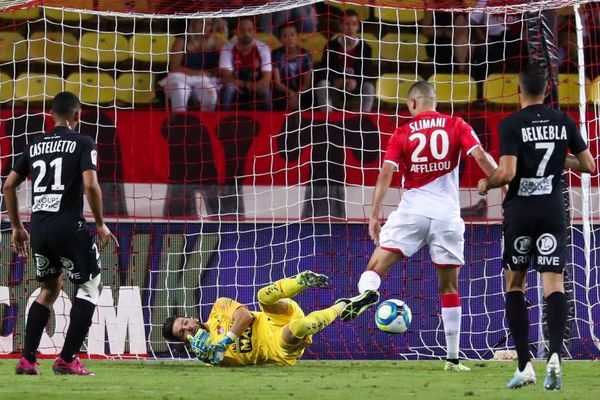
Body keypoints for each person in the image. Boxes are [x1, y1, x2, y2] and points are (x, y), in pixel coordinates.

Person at [337, 81, 498, 371]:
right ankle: (452, 358)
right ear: (434, 102)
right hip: (447, 216)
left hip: (412, 213)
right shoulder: (456, 124)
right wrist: (501, 182)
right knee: (449, 287)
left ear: (412, 104)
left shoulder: (402, 132)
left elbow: (386, 173)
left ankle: (368, 293)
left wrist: (374, 215)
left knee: (374, 268)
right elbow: (480, 157)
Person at [477, 64, 595, 390]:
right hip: (553, 211)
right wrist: (560, 159)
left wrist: (486, 183)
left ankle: (525, 365)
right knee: (554, 283)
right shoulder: (563, 121)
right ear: (546, 90)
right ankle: (555, 356)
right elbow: (589, 165)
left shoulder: (512, 124)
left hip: (521, 215)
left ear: (519, 90)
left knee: (515, 284)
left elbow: (508, 172)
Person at [3, 92, 118, 376]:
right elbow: (91, 185)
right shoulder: (83, 142)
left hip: (39, 230)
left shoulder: (35, 144)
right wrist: (101, 223)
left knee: (49, 289)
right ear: (77, 115)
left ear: (51, 114)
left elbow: (8, 186)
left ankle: (27, 360)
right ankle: (67, 359)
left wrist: (18, 227)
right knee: (90, 287)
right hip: (69, 228)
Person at [162, 271, 364, 366]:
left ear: (191, 318)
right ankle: (343, 305)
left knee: (263, 296)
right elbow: (237, 365)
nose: (188, 328)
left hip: (272, 318)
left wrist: (225, 342)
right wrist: (214, 360)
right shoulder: (211, 357)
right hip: (277, 346)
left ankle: (301, 281)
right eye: (182, 332)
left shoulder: (218, 308)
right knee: (302, 326)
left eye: (185, 323)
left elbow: (245, 316)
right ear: (183, 341)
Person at [315, 9, 375, 113]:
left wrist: (356, 81)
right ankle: (327, 118)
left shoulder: (365, 48)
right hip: (336, 85)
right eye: (347, 24)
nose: (350, 27)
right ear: (341, 26)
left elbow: (367, 73)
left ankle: (365, 118)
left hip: (356, 86)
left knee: (369, 87)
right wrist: (334, 81)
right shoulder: (331, 45)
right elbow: (324, 69)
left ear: (358, 27)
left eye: (354, 24)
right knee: (322, 84)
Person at [163, 18, 224, 112]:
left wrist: (214, 72)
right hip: (181, 78)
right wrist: (199, 73)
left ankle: (206, 122)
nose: (205, 26)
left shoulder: (217, 42)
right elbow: (174, 67)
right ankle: (178, 122)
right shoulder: (181, 41)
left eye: (209, 23)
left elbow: (223, 65)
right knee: (180, 91)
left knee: (210, 94)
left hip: (204, 80)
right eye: (201, 22)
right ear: (193, 24)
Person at [220, 17, 272, 111]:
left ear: (254, 31)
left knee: (265, 91)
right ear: (236, 31)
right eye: (242, 30)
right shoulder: (227, 47)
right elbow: (227, 77)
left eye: (249, 30)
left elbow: (267, 77)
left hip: (257, 86)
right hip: (236, 86)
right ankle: (224, 122)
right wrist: (246, 84)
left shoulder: (263, 48)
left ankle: (268, 123)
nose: (246, 34)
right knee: (228, 89)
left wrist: (255, 85)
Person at [272, 24, 313, 111]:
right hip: (283, 92)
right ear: (280, 39)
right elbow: (277, 83)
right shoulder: (275, 54)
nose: (289, 38)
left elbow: (307, 83)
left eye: (292, 34)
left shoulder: (305, 54)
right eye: (285, 35)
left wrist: (296, 95)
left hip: (302, 92)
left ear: (297, 37)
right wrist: (290, 94)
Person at [421, 5, 469, 74]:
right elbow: (426, 30)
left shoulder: (460, 6)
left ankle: (462, 72)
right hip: (438, 40)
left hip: (458, 40)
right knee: (443, 48)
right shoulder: (432, 4)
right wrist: (445, 33)